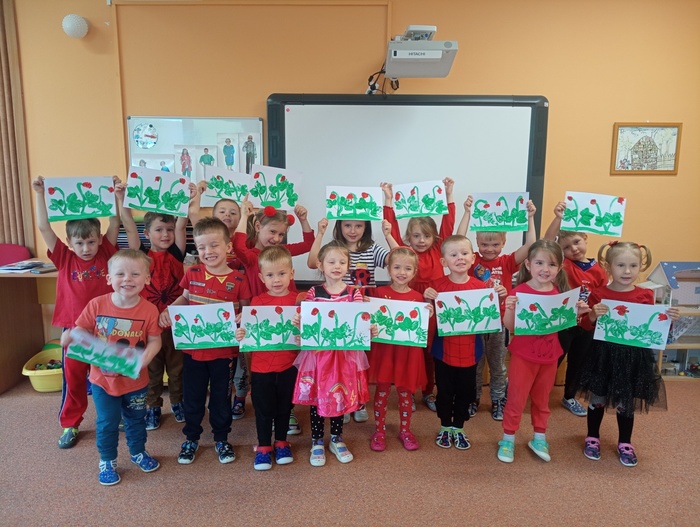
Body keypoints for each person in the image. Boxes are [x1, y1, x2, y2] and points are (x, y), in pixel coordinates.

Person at [32, 175, 121, 449]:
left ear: (99, 240)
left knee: (111, 376)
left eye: (91, 242)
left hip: (106, 328)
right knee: (74, 379)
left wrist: (114, 195)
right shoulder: (64, 258)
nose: (86, 248)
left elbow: (114, 223)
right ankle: (71, 423)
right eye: (80, 243)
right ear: (70, 242)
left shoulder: (106, 253)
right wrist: (39, 194)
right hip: (75, 331)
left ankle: (114, 416)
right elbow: (43, 226)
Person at [61, 249, 163, 485]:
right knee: (107, 422)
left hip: (136, 381)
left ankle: (138, 452)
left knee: (136, 419)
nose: (127, 279)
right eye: (120, 274)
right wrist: (70, 336)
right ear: (109, 278)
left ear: (147, 279)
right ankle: (107, 460)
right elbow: (80, 330)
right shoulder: (97, 304)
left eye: (135, 274)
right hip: (103, 381)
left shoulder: (149, 310)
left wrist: (145, 359)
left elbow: (155, 340)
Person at [160, 217, 252, 465]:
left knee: (221, 398)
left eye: (214, 245)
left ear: (228, 246)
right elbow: (184, 298)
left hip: (224, 354)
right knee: (193, 397)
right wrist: (169, 310)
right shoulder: (192, 273)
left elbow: (246, 310)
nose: (207, 251)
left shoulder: (239, 279)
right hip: (194, 352)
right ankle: (191, 438)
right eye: (201, 247)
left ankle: (221, 438)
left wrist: (243, 318)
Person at [578, 241, 679, 467]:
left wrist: (669, 320)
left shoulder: (645, 295)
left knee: (626, 400)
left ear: (640, 267)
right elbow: (585, 325)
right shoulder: (599, 293)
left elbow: (652, 326)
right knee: (598, 398)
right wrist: (592, 314)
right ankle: (592, 437)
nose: (627, 271)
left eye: (633, 266)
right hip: (603, 356)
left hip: (633, 358)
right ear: (608, 266)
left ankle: (625, 442)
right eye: (621, 265)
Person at [497, 240, 589, 463]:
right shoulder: (519, 292)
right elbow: (510, 326)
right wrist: (509, 309)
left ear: (559, 268)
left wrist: (578, 313)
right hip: (523, 357)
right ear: (528, 265)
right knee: (516, 399)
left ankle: (539, 437)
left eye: (551, 264)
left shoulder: (560, 294)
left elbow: (564, 324)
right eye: (539, 263)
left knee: (542, 399)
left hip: (549, 356)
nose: (545, 269)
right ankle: (508, 438)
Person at [117, 183, 197, 430]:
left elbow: (182, 224)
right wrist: (122, 198)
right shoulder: (141, 254)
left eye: (169, 230)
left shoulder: (176, 252)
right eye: (159, 230)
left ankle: (178, 402)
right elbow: (128, 225)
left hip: (175, 320)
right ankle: (152, 406)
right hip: (149, 323)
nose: (165, 234)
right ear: (147, 233)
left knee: (177, 367)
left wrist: (188, 198)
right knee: (151, 369)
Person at [307, 216, 398, 423]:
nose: (353, 230)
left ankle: (358, 401)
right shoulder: (334, 248)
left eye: (359, 225)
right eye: (347, 225)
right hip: (337, 311)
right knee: (338, 363)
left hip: (361, 308)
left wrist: (388, 235)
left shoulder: (372, 249)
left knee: (357, 361)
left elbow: (398, 259)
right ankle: (343, 399)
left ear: (366, 227)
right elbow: (313, 262)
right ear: (339, 226)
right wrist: (320, 233)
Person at [292, 241, 376, 466]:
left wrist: (369, 328)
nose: (337, 266)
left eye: (342, 262)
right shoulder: (314, 292)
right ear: (321, 265)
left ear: (348, 266)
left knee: (339, 394)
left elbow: (359, 322)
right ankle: (317, 440)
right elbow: (308, 320)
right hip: (319, 356)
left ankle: (337, 438)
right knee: (318, 396)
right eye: (331, 262)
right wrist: (300, 322)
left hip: (345, 357)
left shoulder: (354, 293)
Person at [456, 195, 536, 420]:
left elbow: (530, 246)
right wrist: (467, 213)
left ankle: (498, 399)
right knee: (475, 364)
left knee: (498, 365)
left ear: (503, 242)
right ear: (476, 243)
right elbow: (458, 240)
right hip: (475, 323)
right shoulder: (471, 260)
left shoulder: (507, 262)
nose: (489, 249)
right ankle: (473, 398)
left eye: (495, 244)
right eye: (484, 244)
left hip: (499, 323)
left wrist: (530, 218)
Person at [383, 178, 456, 412]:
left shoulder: (439, 250)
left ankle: (427, 391)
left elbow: (448, 225)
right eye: (416, 236)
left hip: (433, 306)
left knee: (429, 352)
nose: (421, 240)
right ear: (409, 238)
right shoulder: (406, 253)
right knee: (409, 350)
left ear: (435, 238)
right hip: (409, 304)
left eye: (426, 236)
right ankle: (408, 391)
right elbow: (391, 228)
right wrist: (388, 200)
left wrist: (449, 194)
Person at [423, 235, 496, 450]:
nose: (460, 258)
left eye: (464, 253)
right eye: (453, 254)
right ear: (444, 261)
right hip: (443, 351)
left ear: (473, 258)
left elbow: (490, 319)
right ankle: (445, 425)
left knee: (466, 393)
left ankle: (459, 427)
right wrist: (426, 300)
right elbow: (427, 319)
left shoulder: (481, 288)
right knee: (445, 392)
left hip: (471, 352)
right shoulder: (435, 287)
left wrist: (498, 297)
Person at [188, 183, 250, 420]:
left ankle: (238, 398)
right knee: (199, 380)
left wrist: (245, 211)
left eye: (233, 212)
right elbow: (194, 216)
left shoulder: (241, 242)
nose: (227, 215)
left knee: (233, 369)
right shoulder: (206, 243)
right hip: (203, 326)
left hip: (232, 313)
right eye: (222, 211)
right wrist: (198, 195)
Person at [234, 246, 299, 470]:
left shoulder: (298, 302)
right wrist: (241, 333)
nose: (276, 280)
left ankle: (281, 442)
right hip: (261, 368)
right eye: (270, 275)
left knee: (285, 407)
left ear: (291, 273)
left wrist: (303, 334)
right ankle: (263, 446)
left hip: (289, 365)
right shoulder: (257, 303)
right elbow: (249, 334)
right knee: (263, 409)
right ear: (262, 277)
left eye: (282, 273)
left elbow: (306, 334)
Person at [543, 202, 608, 416]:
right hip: (564, 323)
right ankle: (539, 393)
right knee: (552, 360)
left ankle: (569, 396)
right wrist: (558, 217)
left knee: (578, 363)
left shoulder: (599, 270)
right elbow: (546, 242)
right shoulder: (564, 264)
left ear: (585, 238)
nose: (574, 249)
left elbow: (603, 297)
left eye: (577, 242)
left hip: (587, 325)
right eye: (566, 247)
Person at [367, 247, 431, 451]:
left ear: (414, 272)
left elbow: (422, 329)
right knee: (382, 390)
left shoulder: (418, 298)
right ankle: (379, 430)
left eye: (408, 268)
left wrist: (428, 314)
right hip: (385, 351)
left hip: (408, 353)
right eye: (397, 267)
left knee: (405, 392)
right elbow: (371, 323)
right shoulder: (379, 293)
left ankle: (405, 430)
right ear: (388, 269)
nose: (402, 272)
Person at [233, 196, 315, 297]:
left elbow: (309, 244)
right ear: (258, 227)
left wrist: (303, 220)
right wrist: (244, 216)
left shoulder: (282, 251)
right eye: (272, 232)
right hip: (261, 305)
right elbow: (238, 246)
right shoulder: (251, 257)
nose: (276, 239)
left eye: (281, 234)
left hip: (289, 304)